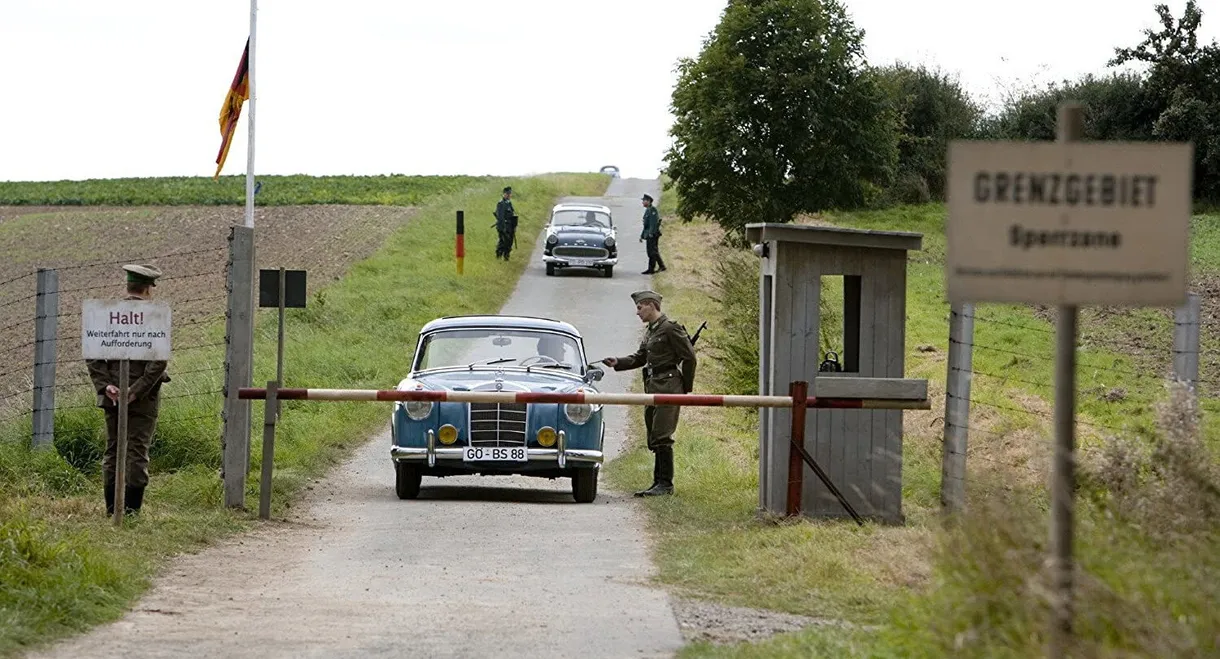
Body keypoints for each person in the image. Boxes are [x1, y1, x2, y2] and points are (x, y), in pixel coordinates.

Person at [86, 264, 171, 516]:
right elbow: (159, 361)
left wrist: (106, 386)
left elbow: (93, 354)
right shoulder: (154, 316)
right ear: (148, 288)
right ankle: (132, 512)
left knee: (113, 449)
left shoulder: (107, 315)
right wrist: (136, 390)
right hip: (144, 398)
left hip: (111, 395)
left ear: (127, 285)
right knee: (137, 450)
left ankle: (112, 511)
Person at [601, 290, 696, 496]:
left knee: (662, 435)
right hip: (653, 386)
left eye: (639, 307)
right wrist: (618, 362)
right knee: (653, 435)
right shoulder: (651, 330)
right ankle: (657, 483)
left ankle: (665, 484)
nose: (637, 313)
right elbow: (641, 357)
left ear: (651, 305)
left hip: (669, 387)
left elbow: (689, 357)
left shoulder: (670, 328)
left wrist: (685, 388)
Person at [639, 193, 666, 274]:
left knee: (652, 252)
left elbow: (653, 224)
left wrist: (650, 234)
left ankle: (655, 267)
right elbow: (646, 225)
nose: (642, 202)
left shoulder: (653, 210)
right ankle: (656, 267)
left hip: (653, 234)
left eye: (644, 201)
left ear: (649, 201)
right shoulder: (648, 210)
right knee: (652, 252)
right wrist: (642, 235)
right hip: (649, 234)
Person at [494, 186, 518, 260]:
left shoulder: (508, 203)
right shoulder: (501, 203)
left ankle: (506, 256)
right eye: (507, 194)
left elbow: (511, 214)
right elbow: (500, 217)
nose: (508, 195)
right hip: (503, 226)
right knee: (503, 242)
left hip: (510, 226)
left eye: (509, 194)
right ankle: (499, 255)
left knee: (509, 242)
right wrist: (503, 228)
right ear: (504, 194)